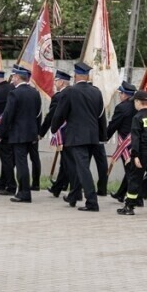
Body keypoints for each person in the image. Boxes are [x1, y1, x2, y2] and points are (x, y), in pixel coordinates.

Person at [52, 62, 107, 212]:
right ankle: (74, 195)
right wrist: (103, 135)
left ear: (76, 75)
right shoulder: (96, 92)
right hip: (93, 136)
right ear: (87, 76)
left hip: (76, 137)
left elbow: (60, 113)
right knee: (81, 167)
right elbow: (101, 115)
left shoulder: (70, 92)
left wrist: (54, 128)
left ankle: (92, 202)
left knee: (82, 169)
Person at [0, 66, 42, 202]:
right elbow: (39, 114)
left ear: (17, 77)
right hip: (31, 133)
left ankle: (24, 192)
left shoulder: (14, 94)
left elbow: (7, 115)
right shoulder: (35, 93)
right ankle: (24, 190)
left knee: (21, 163)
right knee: (25, 162)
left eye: (13, 76)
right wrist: (37, 132)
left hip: (18, 134)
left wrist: (0, 133)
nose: (12, 79)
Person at [43, 70, 72, 199]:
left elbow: (52, 117)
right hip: (73, 133)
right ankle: (60, 186)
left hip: (64, 133)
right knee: (67, 162)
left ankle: (60, 187)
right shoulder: (74, 93)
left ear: (61, 82)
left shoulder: (59, 96)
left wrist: (43, 132)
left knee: (66, 162)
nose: (54, 83)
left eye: (56, 81)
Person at [107, 82, 137, 203]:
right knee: (131, 169)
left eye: (121, 93)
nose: (120, 95)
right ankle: (121, 194)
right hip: (136, 142)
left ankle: (135, 198)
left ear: (125, 94)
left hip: (126, 143)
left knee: (130, 171)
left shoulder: (121, 107)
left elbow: (114, 124)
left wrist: (105, 136)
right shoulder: (137, 106)